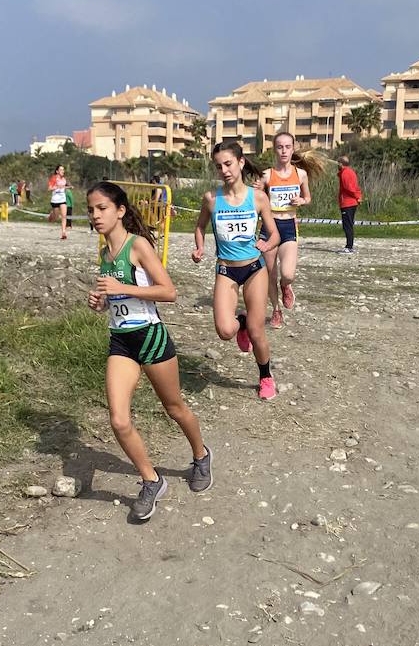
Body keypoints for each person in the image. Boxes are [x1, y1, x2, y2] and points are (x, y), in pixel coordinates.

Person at [87, 180, 212, 522]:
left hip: (151, 336)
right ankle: (151, 480)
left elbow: (168, 292)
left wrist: (120, 287)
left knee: (174, 408)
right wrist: (100, 301)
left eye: (102, 208)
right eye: (91, 210)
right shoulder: (104, 253)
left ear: (120, 211)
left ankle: (200, 455)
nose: (96, 215)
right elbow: (116, 299)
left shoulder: (137, 246)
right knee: (118, 419)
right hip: (121, 340)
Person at [192, 140, 281, 400]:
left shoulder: (258, 197)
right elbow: (199, 227)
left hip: (254, 268)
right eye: (219, 167)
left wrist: (267, 243)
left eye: (229, 164)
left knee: (257, 330)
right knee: (225, 331)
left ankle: (265, 376)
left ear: (241, 163)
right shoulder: (211, 199)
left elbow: (274, 233)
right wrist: (199, 248)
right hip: (226, 270)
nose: (225, 170)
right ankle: (239, 322)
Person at [259, 132, 322, 329]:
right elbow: (256, 199)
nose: (284, 151)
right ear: (274, 149)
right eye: (280, 147)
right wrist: (257, 190)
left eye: (287, 147)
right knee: (270, 274)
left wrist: (301, 201)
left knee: (287, 273)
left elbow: (308, 198)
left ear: (293, 148)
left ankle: (286, 286)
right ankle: (276, 310)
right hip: (269, 227)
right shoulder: (267, 175)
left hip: (288, 226)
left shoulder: (300, 174)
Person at [337, 155, 362, 253]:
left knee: (347, 225)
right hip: (351, 202)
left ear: (341, 163)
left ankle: (349, 246)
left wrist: (357, 196)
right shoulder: (349, 172)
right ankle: (349, 245)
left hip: (348, 203)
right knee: (348, 225)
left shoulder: (345, 173)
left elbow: (349, 188)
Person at [49, 165, 71, 239]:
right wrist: (55, 187)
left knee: (64, 216)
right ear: (57, 171)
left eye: (63, 170)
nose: (63, 171)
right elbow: (49, 188)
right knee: (55, 217)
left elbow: (64, 186)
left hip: (62, 199)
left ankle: (63, 233)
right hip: (55, 199)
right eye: (61, 170)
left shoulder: (64, 179)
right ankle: (51, 215)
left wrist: (68, 187)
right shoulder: (54, 178)